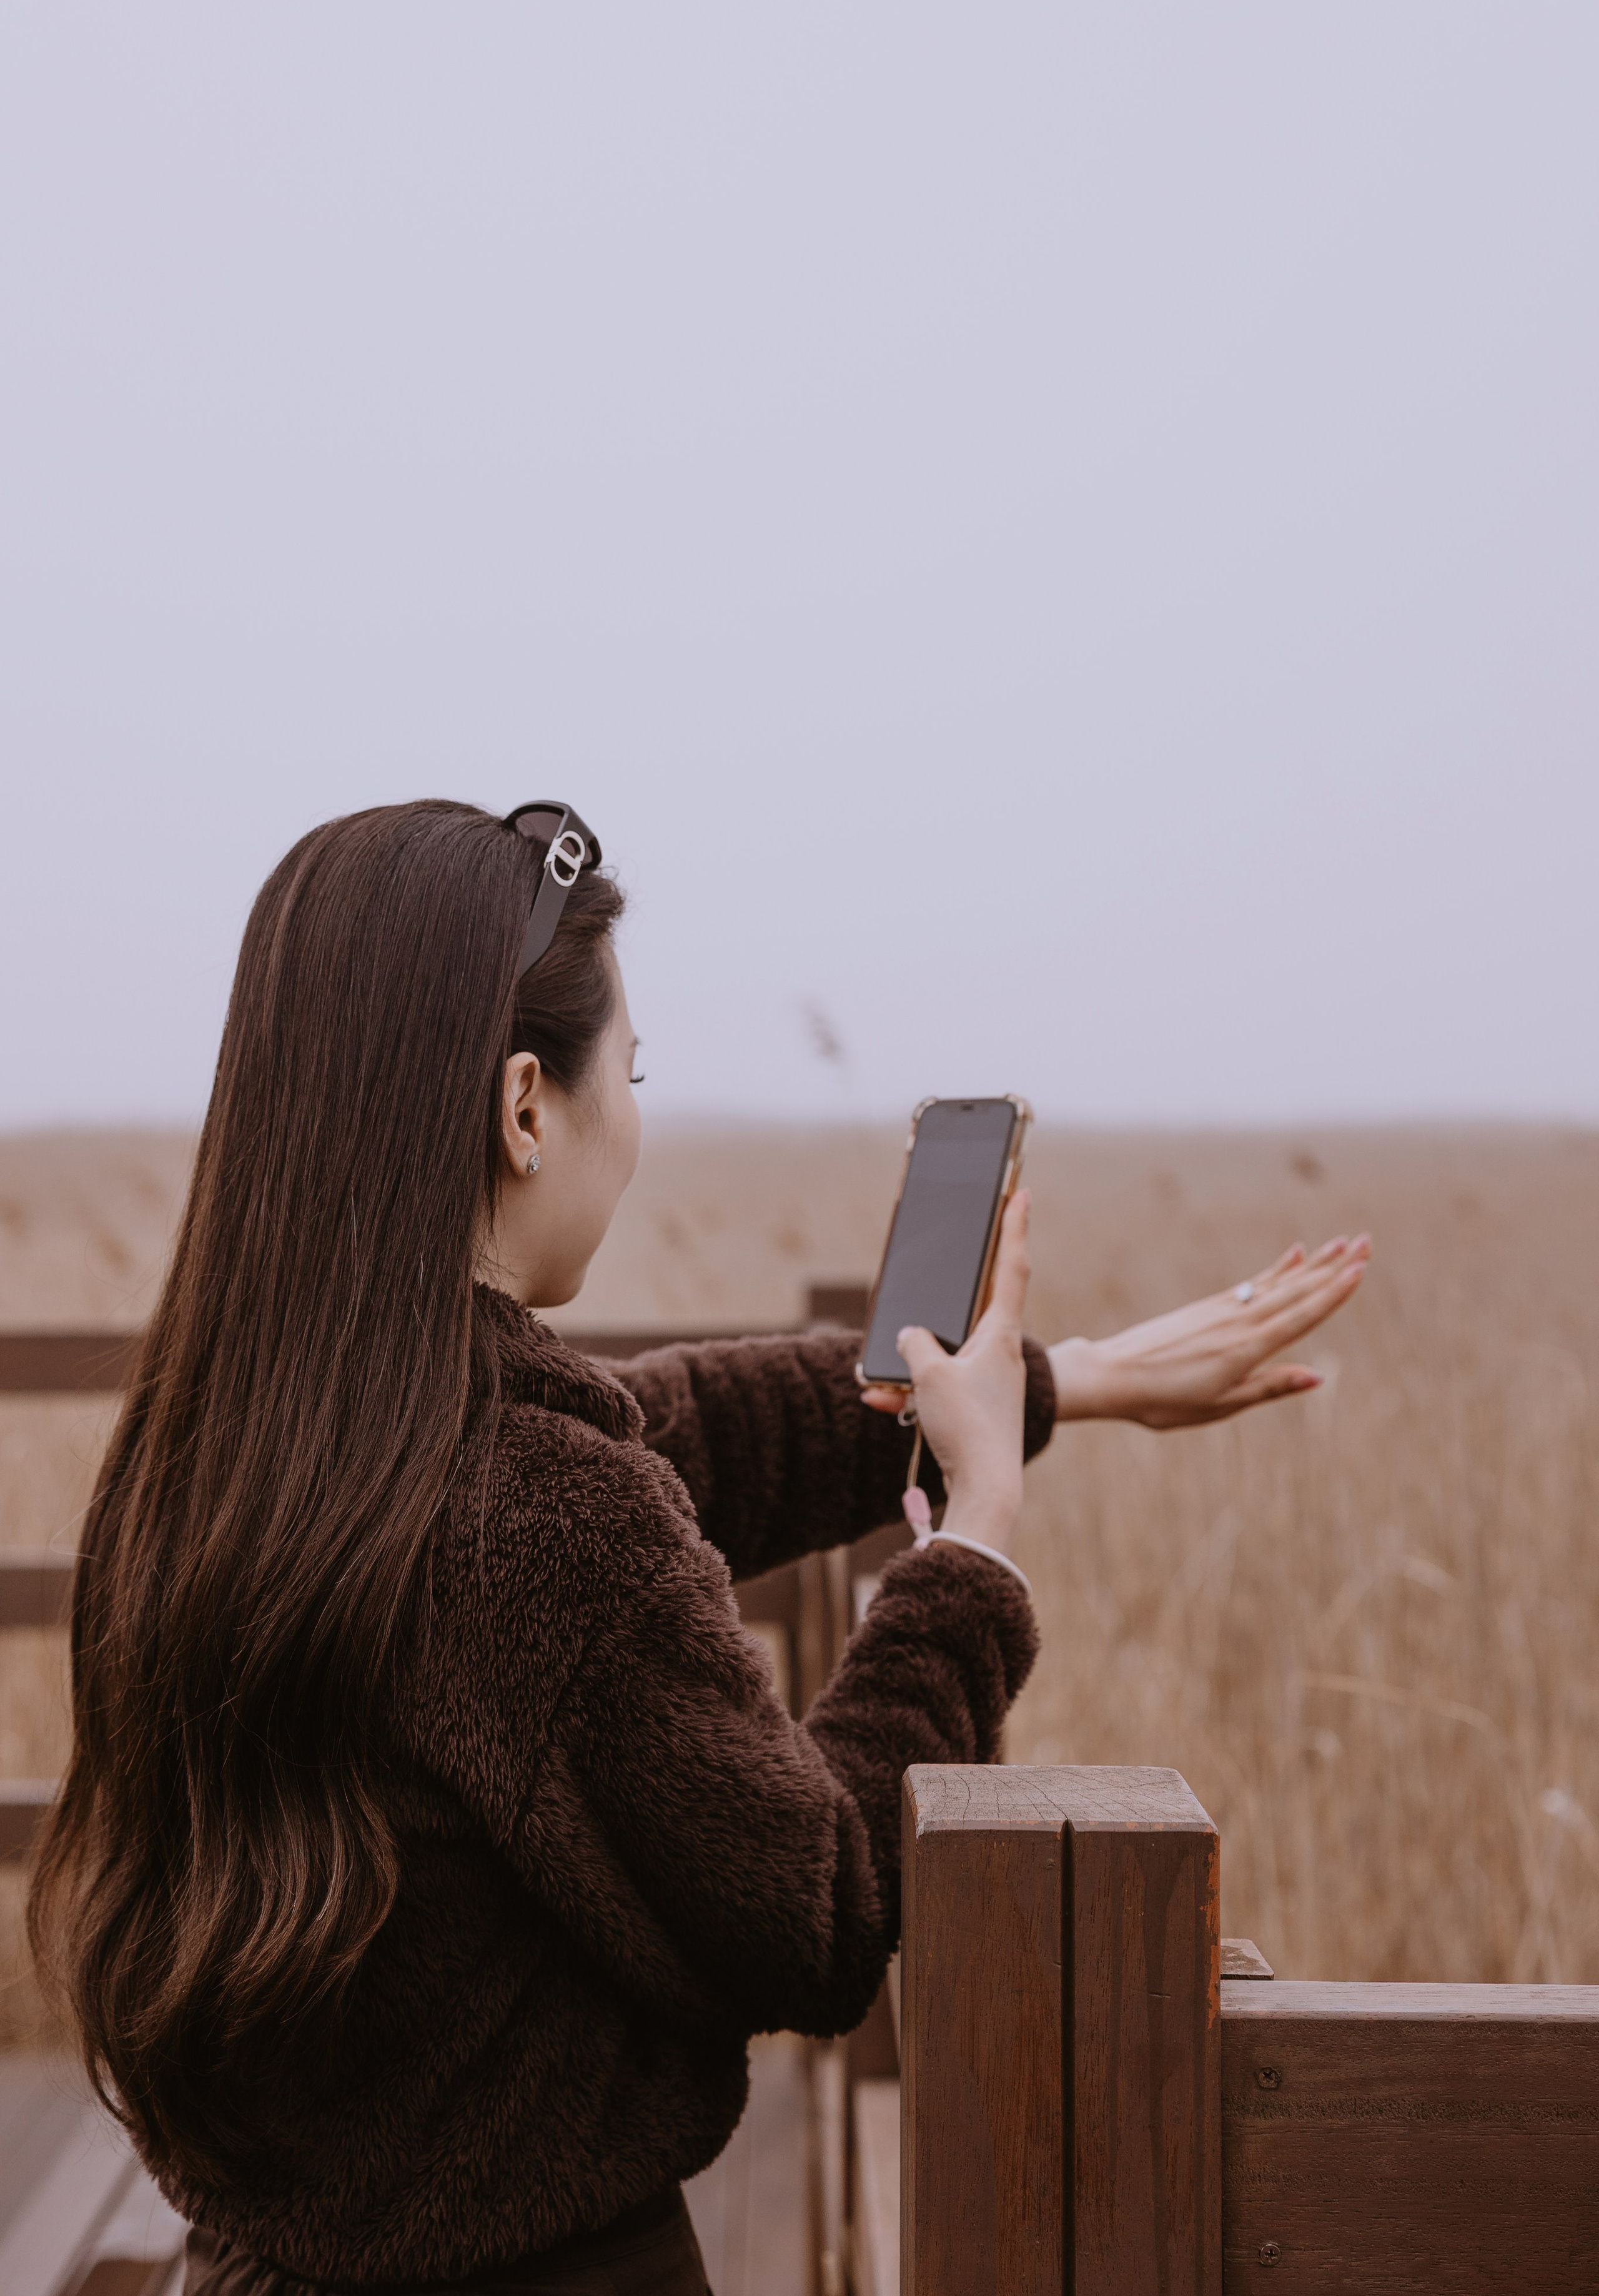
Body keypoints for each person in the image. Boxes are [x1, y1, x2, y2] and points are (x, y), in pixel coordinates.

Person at [29, 800, 1367, 2296]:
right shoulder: (530, 1512)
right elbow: (821, 1905)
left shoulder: (230, 1446)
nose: (639, 1116)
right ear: (525, 1106)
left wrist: (1069, 1380)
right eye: (635, 1072)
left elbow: (663, 1438)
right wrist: (972, 1552)